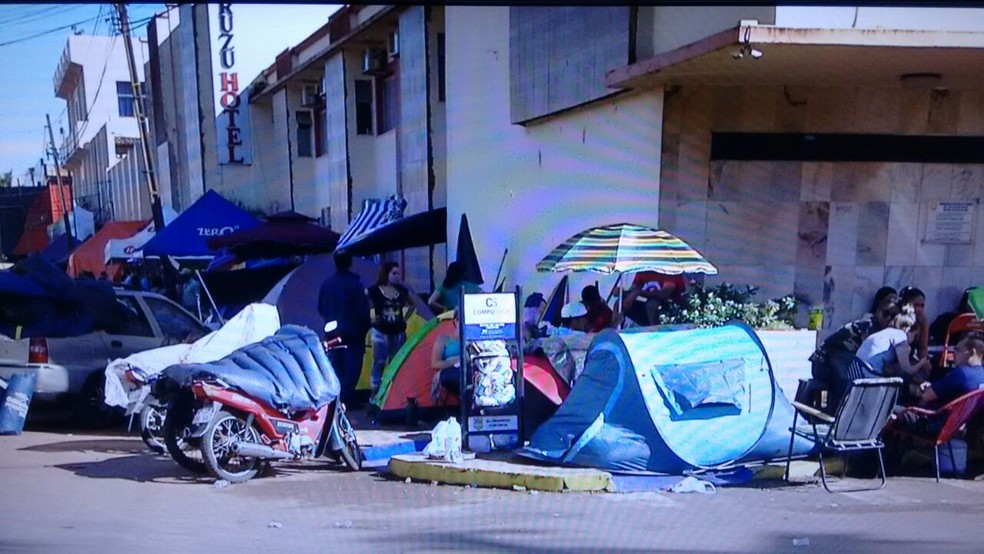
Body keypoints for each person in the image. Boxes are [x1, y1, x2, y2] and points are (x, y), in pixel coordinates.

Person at [317, 250, 371, 407]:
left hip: (333, 334)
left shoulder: (327, 284)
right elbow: (363, 311)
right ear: (350, 262)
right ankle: (346, 400)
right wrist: (364, 328)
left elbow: (321, 308)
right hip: (354, 335)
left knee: (336, 369)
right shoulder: (355, 284)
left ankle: (337, 401)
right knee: (352, 370)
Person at [367, 262, 414, 398]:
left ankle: (393, 394)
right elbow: (360, 302)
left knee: (396, 363)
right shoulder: (374, 290)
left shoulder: (402, 291)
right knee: (379, 362)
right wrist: (370, 319)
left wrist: (405, 318)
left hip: (398, 331)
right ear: (386, 274)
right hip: (380, 331)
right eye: (394, 273)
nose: (397, 276)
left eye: (399, 273)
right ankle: (374, 394)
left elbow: (413, 304)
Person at [855, 302, 932, 379]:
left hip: (856, 374)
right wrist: (922, 362)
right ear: (908, 330)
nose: (912, 341)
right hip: (870, 377)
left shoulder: (886, 333)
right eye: (914, 336)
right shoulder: (901, 336)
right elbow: (907, 371)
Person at [913, 333, 984, 409]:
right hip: (965, 415)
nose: (954, 353)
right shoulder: (981, 374)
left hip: (936, 414)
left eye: (957, 349)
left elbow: (926, 395)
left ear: (971, 353)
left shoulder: (961, 374)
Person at [430, 310, 462, 400]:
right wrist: (458, 360)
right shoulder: (443, 339)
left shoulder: (473, 341)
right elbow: (435, 364)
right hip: (451, 373)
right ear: (456, 321)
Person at [900, 286, 929, 362]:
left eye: (922, 305)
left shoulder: (922, 321)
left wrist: (925, 362)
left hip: (910, 360)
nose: (919, 309)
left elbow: (922, 348)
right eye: (916, 305)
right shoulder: (898, 321)